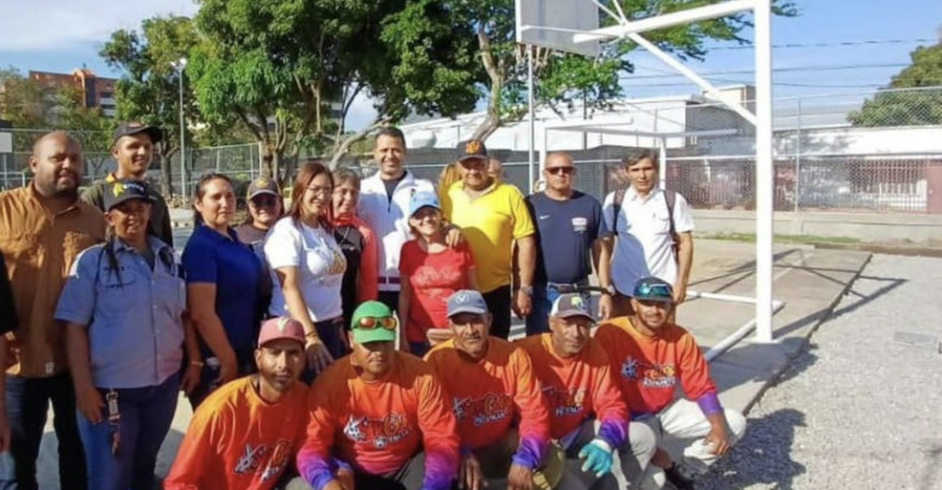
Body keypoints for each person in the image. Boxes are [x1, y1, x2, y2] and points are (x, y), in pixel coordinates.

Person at [54, 179, 201, 490]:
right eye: (124, 210)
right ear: (109, 217)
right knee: (110, 481)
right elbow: (74, 326)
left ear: (149, 212)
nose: (134, 215)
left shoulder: (169, 259)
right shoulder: (92, 262)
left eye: (140, 208)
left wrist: (194, 361)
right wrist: (83, 387)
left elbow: (183, 316)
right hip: (113, 394)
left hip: (162, 389)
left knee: (143, 471)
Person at [0, 131, 104, 490]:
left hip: (75, 365)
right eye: (57, 157)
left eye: (75, 158)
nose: (68, 165)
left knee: (78, 458)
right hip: (16, 365)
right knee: (15, 469)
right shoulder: (4, 210)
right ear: (33, 164)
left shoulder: (96, 221)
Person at [595, 277, 746, 490]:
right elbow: (603, 394)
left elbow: (701, 386)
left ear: (670, 307)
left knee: (735, 423)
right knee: (653, 481)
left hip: (664, 410)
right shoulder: (611, 332)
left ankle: (684, 471)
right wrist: (652, 448)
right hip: (628, 418)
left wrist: (718, 428)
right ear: (634, 304)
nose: (655, 310)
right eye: (647, 303)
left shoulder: (680, 337)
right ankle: (657, 469)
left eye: (661, 304)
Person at [292, 301, 460, 490]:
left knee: (449, 473)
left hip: (406, 466)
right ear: (351, 339)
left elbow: (440, 437)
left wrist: (435, 486)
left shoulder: (421, 375)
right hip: (353, 472)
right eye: (370, 344)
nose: (379, 351)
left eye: (385, 342)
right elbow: (311, 445)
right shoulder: (329, 382)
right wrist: (325, 482)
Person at [517, 294, 657, 489]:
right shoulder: (526, 351)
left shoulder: (594, 351)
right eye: (568, 324)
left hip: (573, 433)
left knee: (643, 436)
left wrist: (604, 442)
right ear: (551, 323)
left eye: (583, 325)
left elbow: (612, 404)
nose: (576, 333)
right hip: (536, 443)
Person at [424, 290, 559, 490]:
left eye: (476, 320)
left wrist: (526, 458)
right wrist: (459, 451)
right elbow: (432, 427)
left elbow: (534, 413)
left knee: (551, 452)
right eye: (460, 323)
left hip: (498, 443)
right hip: (458, 451)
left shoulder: (514, 356)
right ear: (450, 326)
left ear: (489, 320)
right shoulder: (434, 362)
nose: (470, 330)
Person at [165, 316, 310, 490]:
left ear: (304, 359)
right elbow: (179, 483)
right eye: (274, 353)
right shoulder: (220, 409)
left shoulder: (304, 397)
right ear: (258, 358)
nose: (283, 364)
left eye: (293, 353)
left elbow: (310, 453)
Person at [182, 173, 264, 408]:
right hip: (217, 361)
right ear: (199, 204)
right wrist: (228, 360)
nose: (225, 203)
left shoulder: (234, 240)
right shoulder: (202, 247)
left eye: (229, 196)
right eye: (216, 197)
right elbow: (201, 313)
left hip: (244, 352)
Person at [441, 140, 536, 340]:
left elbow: (525, 242)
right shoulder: (447, 194)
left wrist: (522, 289)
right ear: (458, 167)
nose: (473, 171)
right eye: (467, 165)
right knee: (460, 348)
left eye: (478, 164)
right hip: (458, 290)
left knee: (497, 347)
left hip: (496, 288)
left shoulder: (509, 194)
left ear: (487, 163)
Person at [265, 161, 347, 377]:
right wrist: (311, 337)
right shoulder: (287, 231)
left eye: (327, 190)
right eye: (315, 189)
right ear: (301, 190)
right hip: (299, 331)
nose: (322, 196)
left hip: (330, 327)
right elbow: (289, 286)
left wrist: (337, 325)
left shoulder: (324, 230)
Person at [525, 152, 615, 336]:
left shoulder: (589, 204)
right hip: (542, 292)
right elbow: (521, 249)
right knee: (540, 346)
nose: (560, 173)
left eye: (566, 169)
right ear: (545, 174)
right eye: (554, 170)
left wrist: (605, 291)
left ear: (574, 173)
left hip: (578, 291)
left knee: (576, 342)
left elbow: (600, 250)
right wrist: (521, 290)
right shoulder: (531, 204)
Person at [602, 150, 694, 316]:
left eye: (647, 169)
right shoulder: (614, 201)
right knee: (622, 332)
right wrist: (605, 286)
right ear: (626, 172)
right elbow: (604, 245)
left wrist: (682, 283)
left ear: (656, 170)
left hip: (663, 289)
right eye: (635, 170)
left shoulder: (673, 201)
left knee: (663, 333)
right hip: (623, 287)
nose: (642, 175)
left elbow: (685, 244)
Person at [357, 127, 438, 313]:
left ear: (405, 152)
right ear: (375, 153)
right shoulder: (362, 190)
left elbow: (437, 228)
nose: (390, 156)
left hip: (412, 284)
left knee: (413, 333)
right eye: (384, 150)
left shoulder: (424, 188)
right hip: (371, 286)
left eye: (396, 150)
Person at [398, 191, 476, 357]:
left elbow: (474, 290)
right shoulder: (408, 250)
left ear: (441, 215)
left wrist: (476, 325)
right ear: (412, 221)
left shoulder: (459, 246)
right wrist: (402, 335)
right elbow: (405, 294)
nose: (427, 219)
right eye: (419, 215)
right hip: (419, 335)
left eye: (431, 213)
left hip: (457, 331)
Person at [81, 122, 173, 247]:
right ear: (116, 152)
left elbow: (166, 250)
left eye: (147, 147)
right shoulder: (95, 197)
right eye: (133, 146)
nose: (142, 152)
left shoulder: (155, 200)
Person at [330, 168, 379, 327]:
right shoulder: (316, 225)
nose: (349, 198)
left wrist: (364, 321)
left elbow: (368, 282)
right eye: (342, 191)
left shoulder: (364, 232)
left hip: (347, 312)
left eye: (354, 193)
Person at [235, 176, 284, 322]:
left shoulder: (291, 232)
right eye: (257, 202)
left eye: (270, 201)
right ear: (249, 205)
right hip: (250, 311)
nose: (264, 207)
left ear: (280, 202)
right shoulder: (237, 236)